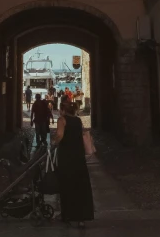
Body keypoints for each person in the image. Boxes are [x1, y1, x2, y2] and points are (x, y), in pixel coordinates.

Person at [56, 97, 94, 227]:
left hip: (66, 156)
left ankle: (67, 215)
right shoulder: (78, 121)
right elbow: (82, 133)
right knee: (80, 186)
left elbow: (60, 135)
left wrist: (54, 142)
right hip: (78, 156)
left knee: (67, 185)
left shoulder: (62, 120)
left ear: (63, 110)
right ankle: (82, 217)